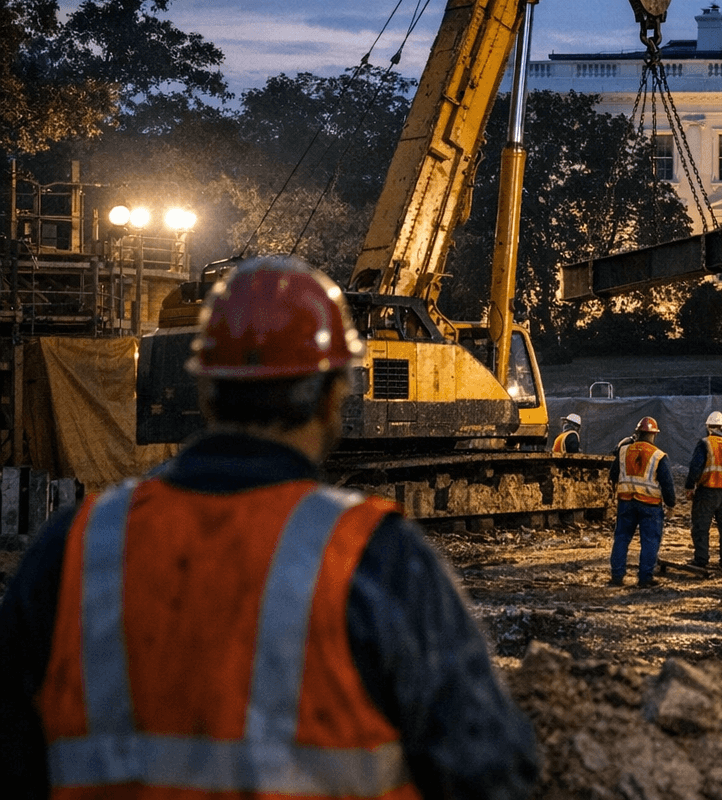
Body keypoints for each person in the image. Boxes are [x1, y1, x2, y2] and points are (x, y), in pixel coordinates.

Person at [0, 256, 542, 800]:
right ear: (335, 395)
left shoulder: (77, 546)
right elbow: (490, 773)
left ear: (206, 392)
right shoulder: (374, 555)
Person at [609, 415, 676, 587]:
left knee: (622, 538)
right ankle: (645, 578)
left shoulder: (623, 451)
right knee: (650, 540)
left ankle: (617, 576)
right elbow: (667, 483)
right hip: (650, 505)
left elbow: (612, 474)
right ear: (654, 435)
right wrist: (671, 504)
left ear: (638, 433)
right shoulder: (658, 456)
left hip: (626, 502)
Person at [684, 410, 722, 573]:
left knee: (701, 526)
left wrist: (690, 487)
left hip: (708, 491)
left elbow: (695, 467)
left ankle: (701, 559)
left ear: (708, 427)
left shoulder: (704, 443)